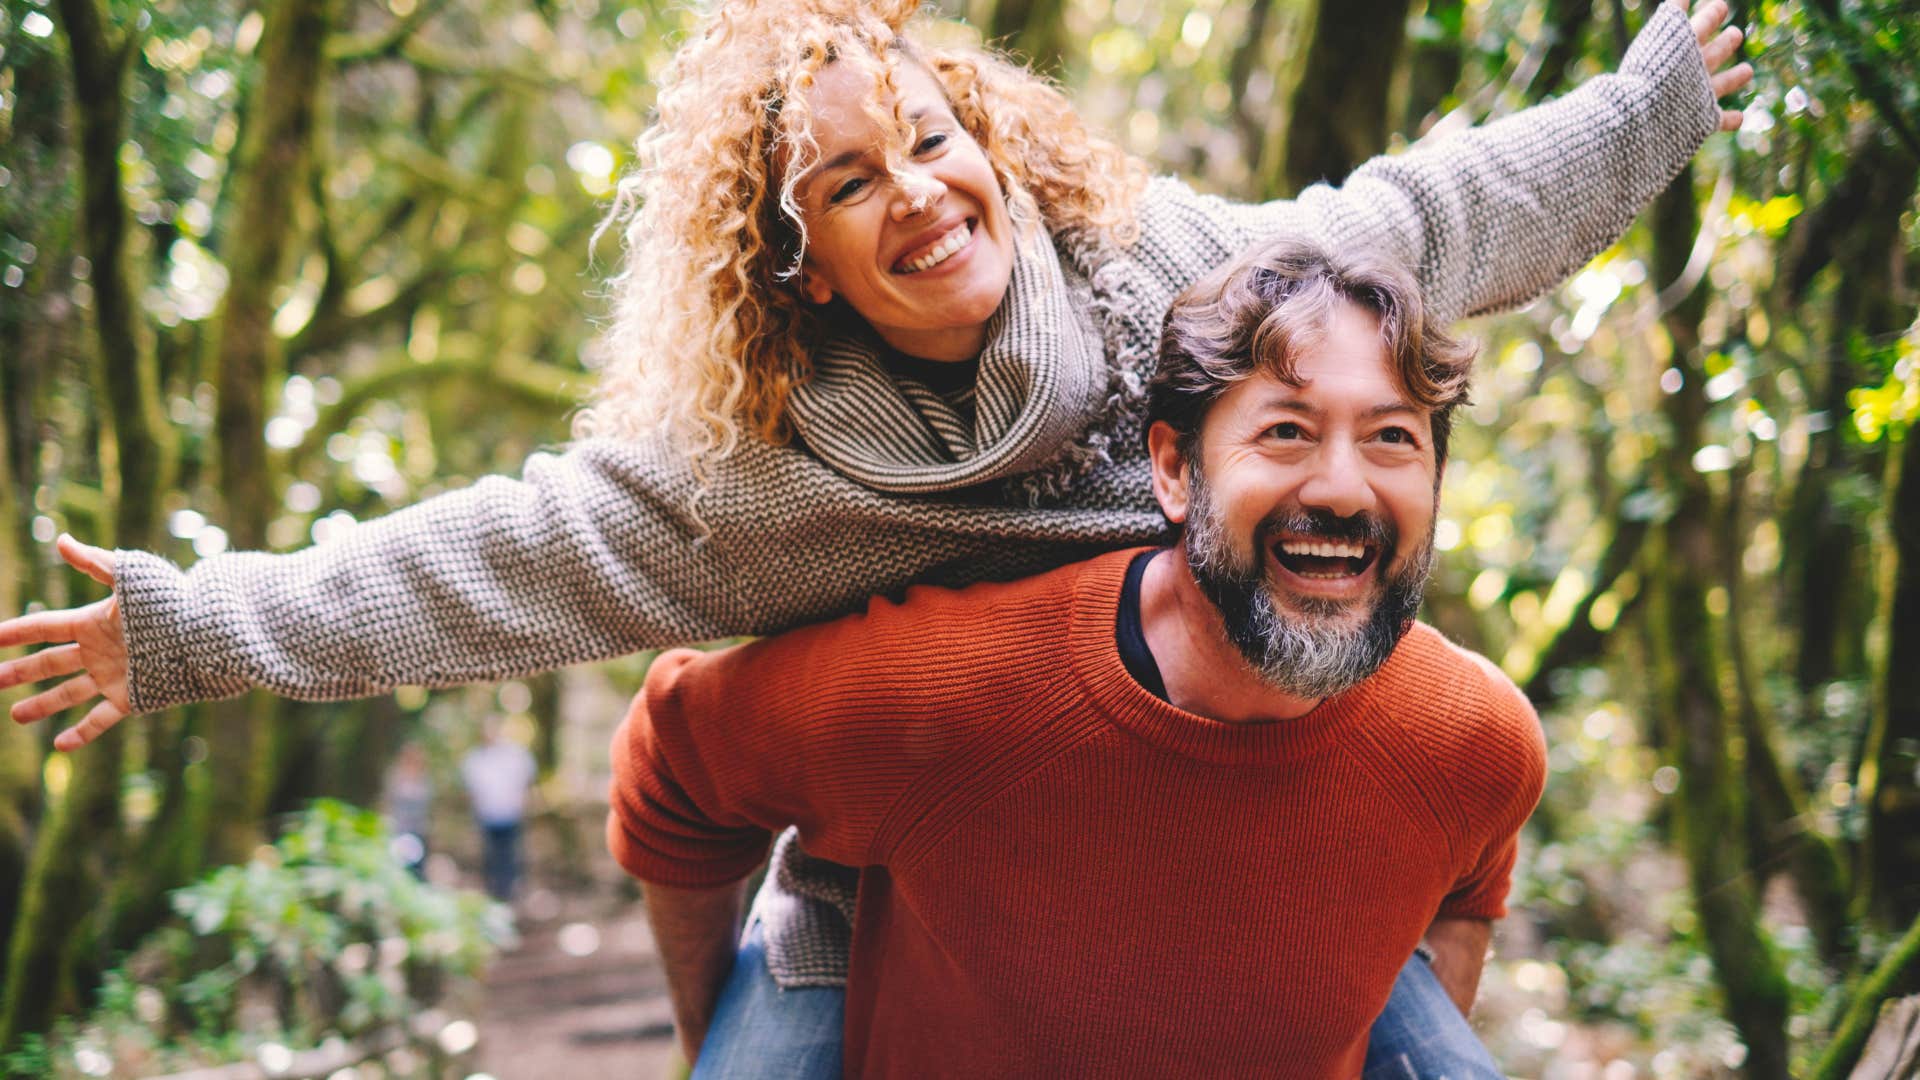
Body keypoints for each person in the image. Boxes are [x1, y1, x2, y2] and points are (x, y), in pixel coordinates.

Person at [0, 0, 1751, 1071]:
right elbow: (490, 561)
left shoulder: (1161, 275)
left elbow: (1426, 218)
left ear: (991, 146)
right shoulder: (758, 478)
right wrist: (192, 628)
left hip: (1234, 791)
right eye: (849, 183)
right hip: (896, 861)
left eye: (929, 138)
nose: (917, 189)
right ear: (797, 264)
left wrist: (1654, 101)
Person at [609, 235, 1546, 1076]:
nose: (1343, 489)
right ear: (1176, 471)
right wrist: (716, 1042)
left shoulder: (1474, 740)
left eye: (1392, 438)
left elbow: (1470, 883)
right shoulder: (955, 694)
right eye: (1286, 432)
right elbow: (676, 765)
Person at [460, 718, 539, 902]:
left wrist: (525, 800)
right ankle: (493, 893)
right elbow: (470, 789)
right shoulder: (475, 760)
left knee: (509, 854)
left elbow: (528, 777)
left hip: (511, 814)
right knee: (490, 856)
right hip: (487, 816)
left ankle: (509, 893)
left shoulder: (514, 755)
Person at [383, 741, 434, 879]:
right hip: (399, 829)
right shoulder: (396, 777)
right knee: (400, 868)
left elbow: (425, 803)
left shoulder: (424, 779)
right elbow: (389, 801)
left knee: (417, 870)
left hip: (418, 830)